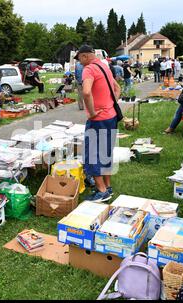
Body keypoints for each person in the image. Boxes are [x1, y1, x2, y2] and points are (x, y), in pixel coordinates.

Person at [75, 45, 121, 202]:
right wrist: (110, 104)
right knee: (106, 153)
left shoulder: (89, 69)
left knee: (92, 155)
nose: (79, 63)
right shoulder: (104, 66)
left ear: (85, 56)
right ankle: (108, 186)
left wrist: (93, 112)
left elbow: (86, 92)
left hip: (98, 119)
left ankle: (101, 191)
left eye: (79, 59)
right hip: (111, 117)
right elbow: (117, 88)